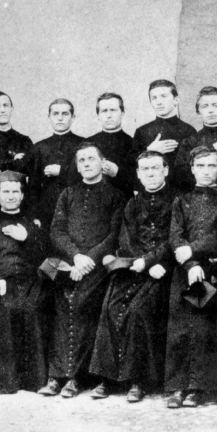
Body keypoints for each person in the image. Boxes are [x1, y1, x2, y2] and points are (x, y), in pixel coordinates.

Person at [89, 151, 177, 403]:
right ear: (138, 174)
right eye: (145, 169)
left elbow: (174, 239)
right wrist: (141, 263)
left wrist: (150, 263)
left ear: (165, 170)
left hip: (164, 269)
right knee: (111, 306)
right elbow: (125, 240)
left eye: (155, 168)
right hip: (135, 267)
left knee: (139, 310)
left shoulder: (177, 201)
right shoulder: (133, 204)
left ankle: (138, 379)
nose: (150, 174)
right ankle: (108, 377)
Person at [38, 143, 125, 398]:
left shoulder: (116, 196)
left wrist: (89, 260)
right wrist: (76, 256)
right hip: (70, 263)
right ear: (77, 167)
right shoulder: (67, 194)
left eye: (91, 159)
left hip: (99, 267)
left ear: (102, 163)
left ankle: (76, 378)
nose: (86, 164)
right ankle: (56, 376)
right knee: (60, 306)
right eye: (82, 161)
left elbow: (114, 234)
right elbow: (57, 231)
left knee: (82, 305)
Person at [165, 146, 217, 409]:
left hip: (212, 271)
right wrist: (190, 262)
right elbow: (175, 236)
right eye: (200, 166)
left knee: (203, 329)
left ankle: (197, 388)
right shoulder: (181, 201)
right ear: (192, 169)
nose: (205, 171)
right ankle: (177, 387)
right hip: (185, 270)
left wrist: (193, 251)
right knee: (179, 328)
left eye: (211, 166)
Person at [0, 171, 47, 394]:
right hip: (0, 284)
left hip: (30, 283)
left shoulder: (32, 224)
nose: (11, 196)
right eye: (6, 191)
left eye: (15, 191)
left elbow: (44, 256)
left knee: (31, 308)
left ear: (22, 195)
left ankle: (31, 381)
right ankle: (3, 382)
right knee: (4, 310)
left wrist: (28, 238)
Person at [29, 98, 84, 228]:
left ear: (73, 117)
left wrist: (62, 171)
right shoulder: (39, 147)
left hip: (77, 207)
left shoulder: (83, 144)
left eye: (65, 114)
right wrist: (34, 215)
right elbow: (33, 185)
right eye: (55, 114)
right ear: (49, 117)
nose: (60, 118)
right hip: (47, 210)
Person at [131, 80, 196, 186]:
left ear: (176, 100)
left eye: (163, 96)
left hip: (181, 189)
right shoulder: (142, 131)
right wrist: (150, 150)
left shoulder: (188, 130)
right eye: (154, 98)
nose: (159, 102)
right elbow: (130, 165)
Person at [73, 93, 135, 199]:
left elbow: (139, 180)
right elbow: (74, 177)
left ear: (122, 113)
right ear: (98, 116)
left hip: (124, 200)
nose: (109, 115)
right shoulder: (87, 143)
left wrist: (118, 173)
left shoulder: (132, 143)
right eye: (104, 111)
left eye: (113, 110)